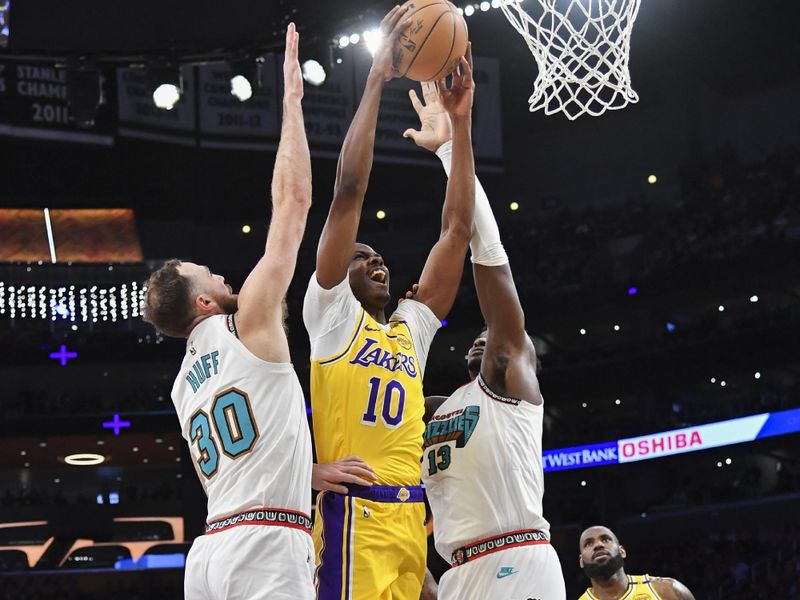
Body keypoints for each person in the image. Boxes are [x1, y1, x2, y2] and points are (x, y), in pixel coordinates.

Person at [302, 5, 477, 599]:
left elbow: (456, 232)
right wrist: (376, 77)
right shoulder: (329, 316)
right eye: (362, 256)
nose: (377, 260)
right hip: (355, 519)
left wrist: (460, 130)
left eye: (380, 258)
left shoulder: (411, 329)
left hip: (412, 522)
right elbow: (348, 189)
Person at [141, 24, 315, 600]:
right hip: (266, 545)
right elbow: (292, 204)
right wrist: (291, 101)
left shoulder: (182, 386)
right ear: (204, 301)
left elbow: (236, 470)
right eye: (208, 274)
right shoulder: (249, 324)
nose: (221, 274)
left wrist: (304, 473)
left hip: (212, 550)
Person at [407, 80, 567, 599]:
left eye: (492, 332)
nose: (485, 338)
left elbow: (489, 257)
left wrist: (456, 144)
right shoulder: (434, 408)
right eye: (477, 334)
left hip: (516, 556)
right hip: (457, 572)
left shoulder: (509, 378)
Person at [578, 525, 696, 600]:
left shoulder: (666, 590)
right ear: (581, 561)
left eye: (605, 539)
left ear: (622, 551)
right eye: (589, 543)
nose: (599, 545)